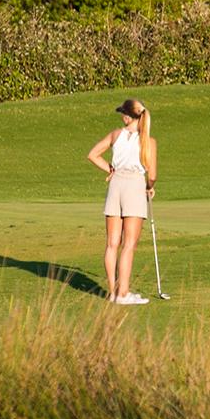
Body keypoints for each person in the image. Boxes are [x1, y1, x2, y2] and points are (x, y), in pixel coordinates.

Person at [85, 98, 158, 304]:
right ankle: (123, 294)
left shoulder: (115, 135)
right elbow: (152, 176)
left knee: (112, 244)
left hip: (115, 186)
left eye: (123, 114)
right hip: (135, 187)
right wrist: (149, 188)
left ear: (128, 116)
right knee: (128, 245)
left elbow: (92, 155)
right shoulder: (149, 142)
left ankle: (113, 292)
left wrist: (111, 169)